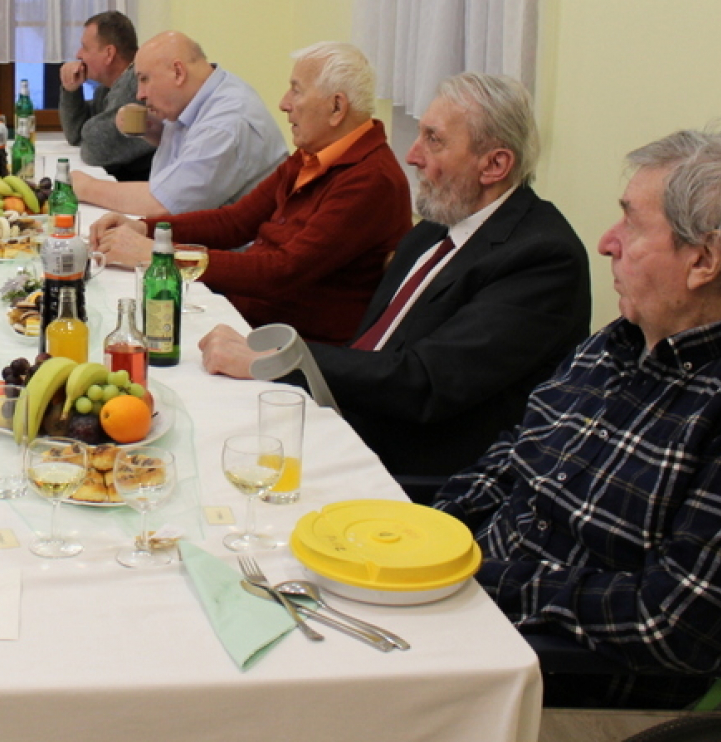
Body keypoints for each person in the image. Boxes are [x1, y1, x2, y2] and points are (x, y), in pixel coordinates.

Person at [434, 130, 721, 707]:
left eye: (632, 223)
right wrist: (426, 537)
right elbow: (515, 458)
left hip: (570, 677)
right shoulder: (622, 340)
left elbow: (676, 622)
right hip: (472, 610)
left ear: (704, 260)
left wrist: (477, 578)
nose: (606, 242)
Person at [200, 73, 591, 477]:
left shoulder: (543, 259)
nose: (412, 155)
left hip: (413, 468)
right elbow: (377, 347)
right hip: (346, 415)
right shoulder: (435, 228)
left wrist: (281, 360)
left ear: (494, 165)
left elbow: (425, 382)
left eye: (434, 140)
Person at [91, 43, 410, 343]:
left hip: (289, 343)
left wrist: (159, 255)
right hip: (247, 314)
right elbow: (236, 221)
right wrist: (146, 229)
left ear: (336, 107)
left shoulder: (371, 180)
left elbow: (282, 271)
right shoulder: (314, 155)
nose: (284, 103)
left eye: (296, 90)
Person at [68, 31, 287, 217]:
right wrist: (155, 130)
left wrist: (87, 187)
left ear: (178, 72)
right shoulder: (202, 95)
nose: (140, 94)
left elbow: (164, 204)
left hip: (232, 249)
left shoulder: (225, 124)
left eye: (144, 79)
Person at [58, 10, 157, 182]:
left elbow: (95, 150)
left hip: (144, 188)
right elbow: (76, 135)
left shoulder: (136, 82)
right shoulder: (106, 88)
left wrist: (89, 131)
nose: (78, 55)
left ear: (109, 53)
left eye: (85, 48)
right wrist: (71, 90)